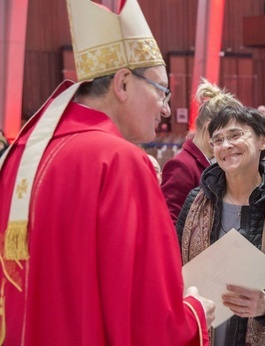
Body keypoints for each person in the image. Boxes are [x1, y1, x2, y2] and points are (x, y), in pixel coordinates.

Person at [0, 0, 214, 344]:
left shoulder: (20, 154)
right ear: (123, 84)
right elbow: (151, 320)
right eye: (161, 90)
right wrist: (195, 311)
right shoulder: (120, 162)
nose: (166, 107)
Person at [176, 105, 265, 345]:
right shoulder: (196, 201)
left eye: (235, 135)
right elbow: (174, 267)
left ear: (263, 140)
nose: (226, 145)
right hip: (202, 332)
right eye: (218, 140)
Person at [161, 78, 241, 227]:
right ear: (209, 127)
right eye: (227, 134)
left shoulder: (212, 160)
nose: (230, 143)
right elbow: (169, 224)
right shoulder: (182, 165)